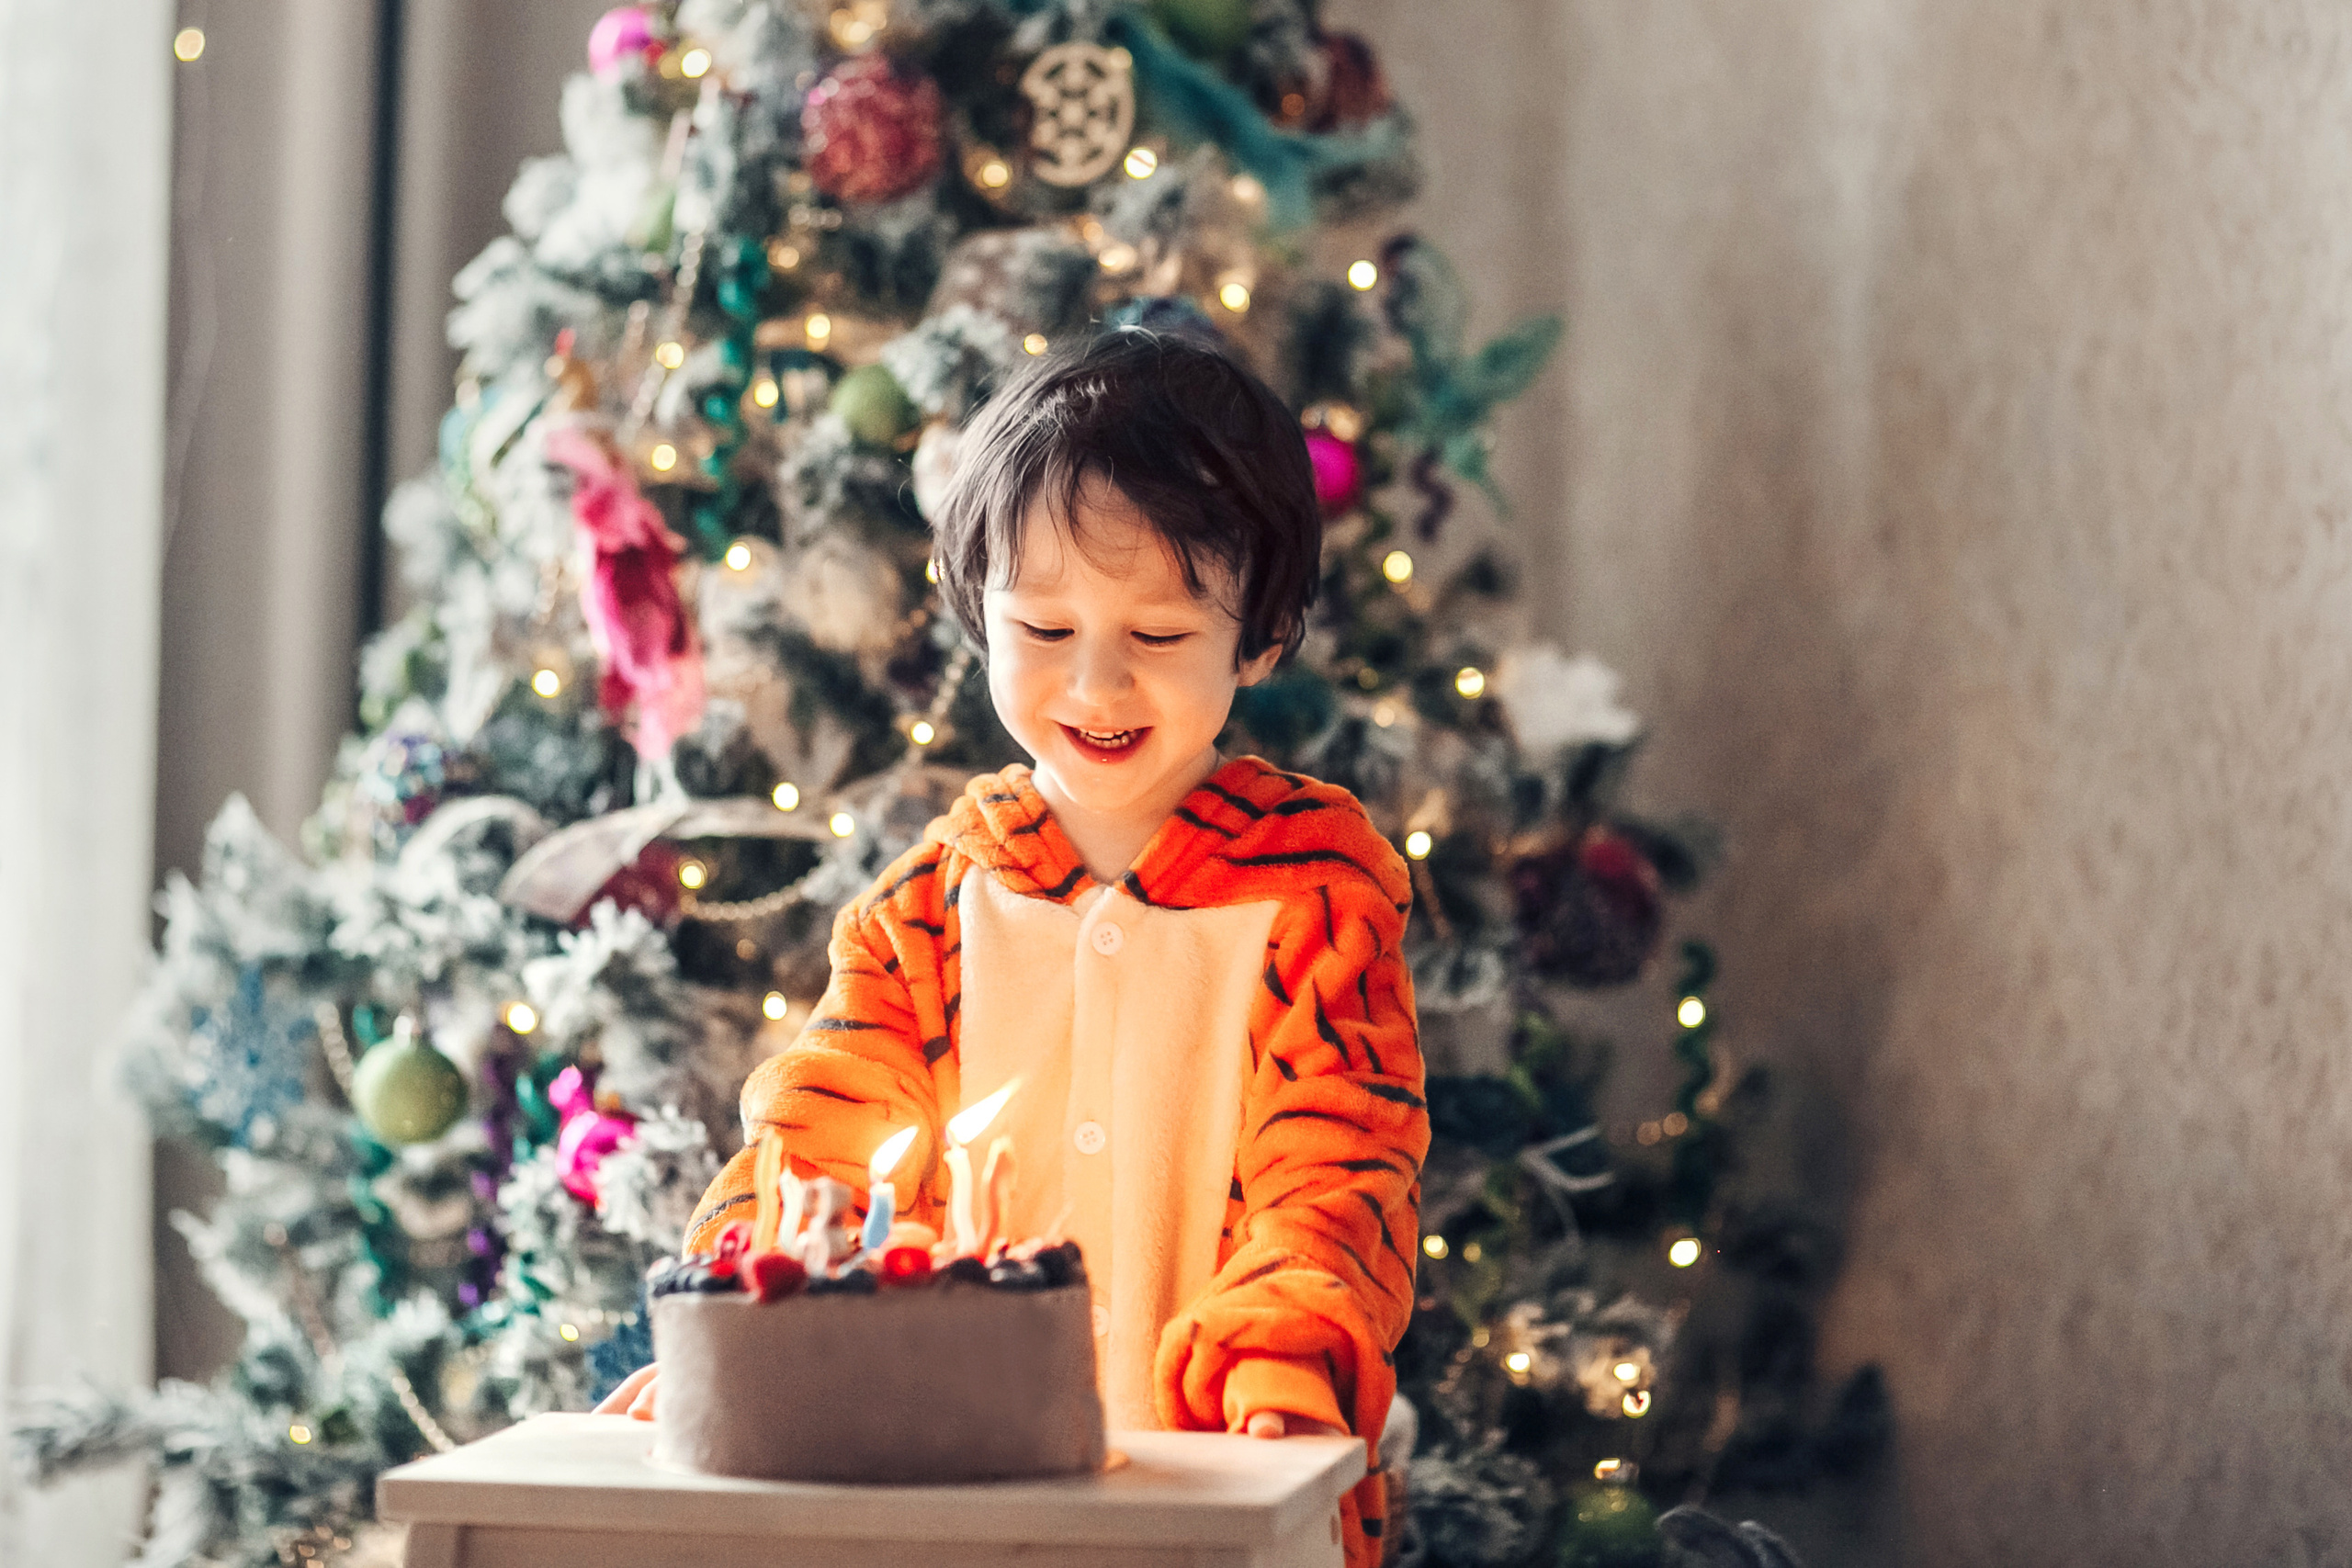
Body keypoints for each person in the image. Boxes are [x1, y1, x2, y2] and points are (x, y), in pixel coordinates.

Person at [595, 330, 1427, 1566]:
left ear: (1259, 637)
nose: (1094, 684)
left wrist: (1282, 1370)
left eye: (1154, 638)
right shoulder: (925, 911)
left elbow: (1335, 1172)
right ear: (974, 610)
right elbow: (814, 1145)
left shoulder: (1311, 896)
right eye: (1041, 630)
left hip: (1217, 1509)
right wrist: (737, 1346)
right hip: (943, 1516)